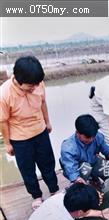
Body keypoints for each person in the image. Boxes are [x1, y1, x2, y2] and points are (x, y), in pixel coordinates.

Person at [0, 56, 59, 209]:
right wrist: (7, 143)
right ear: (18, 81)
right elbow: (3, 121)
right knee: (27, 170)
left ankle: (54, 190)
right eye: (31, 86)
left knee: (48, 163)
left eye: (37, 84)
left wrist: (47, 122)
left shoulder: (38, 84)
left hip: (40, 131)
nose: (35, 88)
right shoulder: (4, 94)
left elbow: (43, 103)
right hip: (20, 138)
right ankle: (37, 196)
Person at [60, 114, 109, 185]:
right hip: (76, 168)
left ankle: (97, 181)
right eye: (87, 137)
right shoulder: (68, 147)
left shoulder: (97, 136)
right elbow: (72, 171)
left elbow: (108, 151)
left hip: (93, 162)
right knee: (86, 169)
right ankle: (89, 182)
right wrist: (78, 180)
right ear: (77, 133)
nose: (91, 139)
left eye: (93, 136)